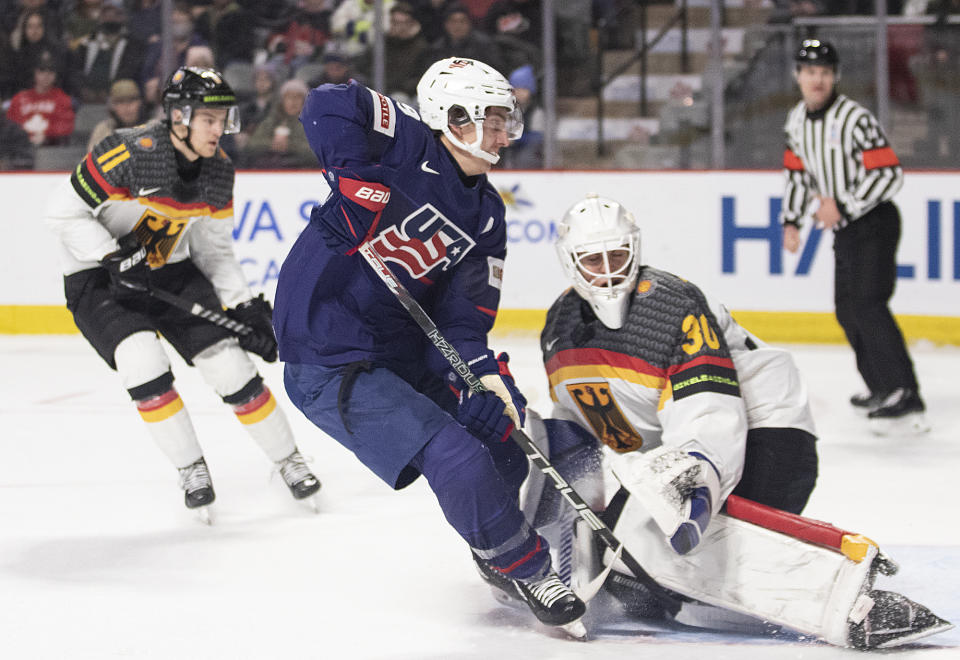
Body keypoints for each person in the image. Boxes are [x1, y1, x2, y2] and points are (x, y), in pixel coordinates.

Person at [510, 193, 951, 649]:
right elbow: (580, 431)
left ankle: (848, 600)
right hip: (686, 447)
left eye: (617, 256)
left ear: (635, 250)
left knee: (650, 545)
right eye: (592, 261)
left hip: (770, 431)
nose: (607, 272)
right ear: (570, 262)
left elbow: (710, 408)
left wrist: (695, 478)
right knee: (628, 561)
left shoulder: (671, 304)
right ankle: (685, 588)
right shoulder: (559, 330)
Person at [273, 57, 587, 635]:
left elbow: (463, 323)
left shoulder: (487, 215)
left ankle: (494, 550)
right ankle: (527, 566)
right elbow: (327, 102)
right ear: (452, 116)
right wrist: (354, 185)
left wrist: (484, 380)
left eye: (504, 120)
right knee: (456, 456)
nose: (501, 133)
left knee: (502, 445)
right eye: (490, 119)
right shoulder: (406, 138)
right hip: (328, 350)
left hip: (403, 347)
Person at [43, 66, 321, 520]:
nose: (220, 129)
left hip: (168, 271)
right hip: (98, 279)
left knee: (230, 364)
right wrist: (111, 256)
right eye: (210, 119)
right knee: (142, 361)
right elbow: (60, 212)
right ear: (179, 117)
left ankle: (289, 460)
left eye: (224, 119)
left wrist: (245, 306)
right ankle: (191, 468)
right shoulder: (126, 152)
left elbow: (213, 249)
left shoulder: (218, 173)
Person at [780, 39, 927, 433]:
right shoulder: (795, 120)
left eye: (825, 73)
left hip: (874, 222)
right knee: (847, 310)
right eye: (811, 72)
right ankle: (881, 387)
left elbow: (889, 173)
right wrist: (790, 221)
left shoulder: (854, 119)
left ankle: (904, 392)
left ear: (835, 77)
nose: (818, 79)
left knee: (867, 304)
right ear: (799, 76)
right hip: (846, 229)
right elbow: (797, 173)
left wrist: (842, 205)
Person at [68, 0, 146, 104]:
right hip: (84, 98)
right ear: (100, 17)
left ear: (124, 16)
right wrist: (83, 90)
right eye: (106, 13)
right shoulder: (86, 43)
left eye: (116, 13)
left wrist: (110, 91)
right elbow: (75, 71)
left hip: (118, 97)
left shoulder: (134, 45)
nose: (110, 17)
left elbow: (130, 71)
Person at [242, 77, 316, 169]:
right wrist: (271, 144)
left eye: (298, 97)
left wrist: (290, 145)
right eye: (289, 97)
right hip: (268, 170)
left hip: (301, 172)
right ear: (282, 100)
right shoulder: (270, 121)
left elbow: (317, 153)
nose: (293, 102)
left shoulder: (312, 124)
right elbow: (250, 146)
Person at [6, 52, 75, 146]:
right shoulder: (19, 98)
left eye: (51, 71)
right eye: (41, 70)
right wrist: (25, 136)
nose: (46, 75)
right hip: (19, 147)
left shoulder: (63, 99)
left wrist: (46, 135)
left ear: (56, 75)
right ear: (34, 73)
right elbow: (10, 124)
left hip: (51, 147)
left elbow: (66, 126)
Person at [87, 78, 149, 151]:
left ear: (140, 103)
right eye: (120, 102)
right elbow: (93, 159)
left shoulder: (153, 128)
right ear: (112, 106)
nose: (126, 107)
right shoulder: (103, 130)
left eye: (131, 101)